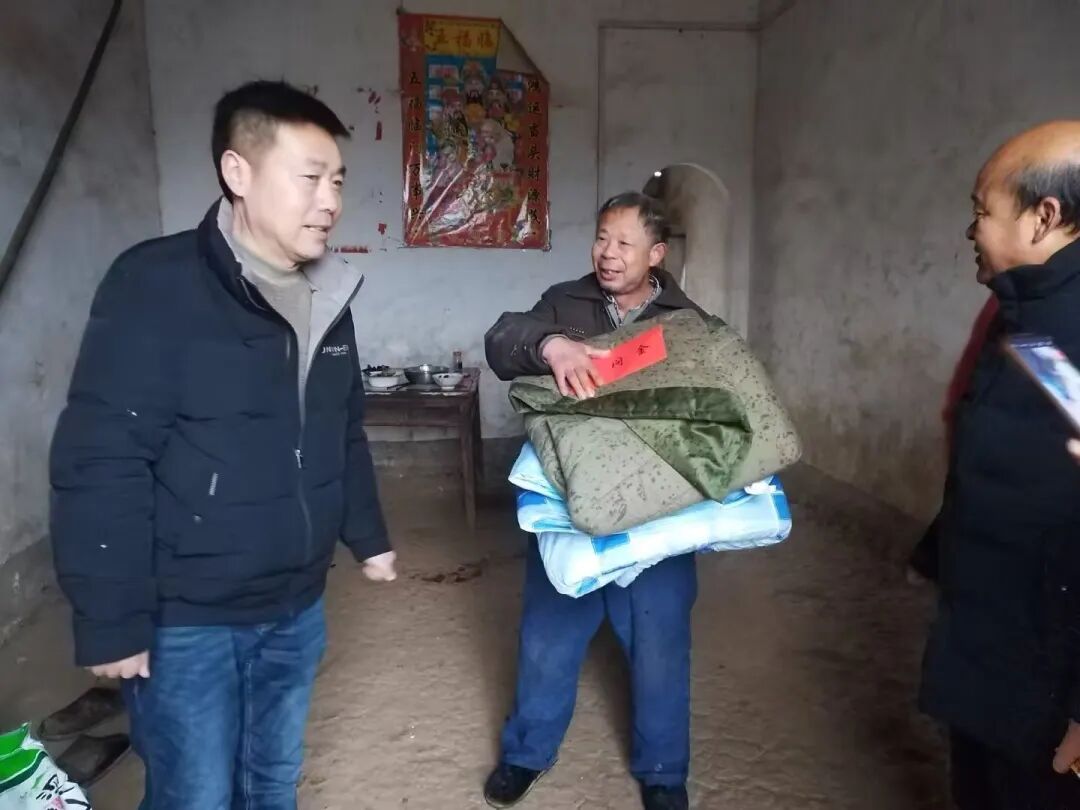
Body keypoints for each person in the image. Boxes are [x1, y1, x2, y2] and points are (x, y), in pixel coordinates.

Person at [49, 80, 396, 809]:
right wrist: (111, 618)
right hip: (188, 617)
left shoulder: (329, 296)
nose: (330, 201)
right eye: (309, 178)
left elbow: (341, 429)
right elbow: (103, 456)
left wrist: (368, 537)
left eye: (337, 181)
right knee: (195, 794)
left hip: (296, 602)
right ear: (238, 172)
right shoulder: (154, 284)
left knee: (271, 780)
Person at [482, 192, 706, 810]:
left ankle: (663, 769)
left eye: (624, 243)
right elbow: (502, 341)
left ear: (656, 254)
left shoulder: (687, 320)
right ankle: (527, 752)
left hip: (654, 508)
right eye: (602, 238)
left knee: (659, 639)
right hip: (570, 502)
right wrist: (551, 346)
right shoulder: (564, 302)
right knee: (548, 634)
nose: (607, 253)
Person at [918, 121, 1080, 809]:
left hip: (1049, 681)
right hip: (991, 643)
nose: (971, 230)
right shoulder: (1023, 310)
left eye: (983, 211)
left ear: (1044, 217)